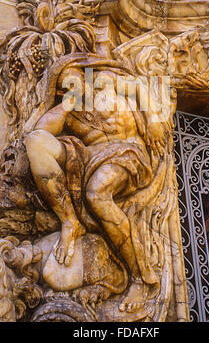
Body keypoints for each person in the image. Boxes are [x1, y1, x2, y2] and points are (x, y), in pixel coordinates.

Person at [25, 53, 169, 312]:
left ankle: (141, 276)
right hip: (87, 158)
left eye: (77, 79)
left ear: (85, 75)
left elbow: (140, 87)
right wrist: (68, 103)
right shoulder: (68, 113)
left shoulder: (104, 82)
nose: (74, 86)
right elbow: (42, 129)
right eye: (66, 85)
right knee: (36, 143)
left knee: (96, 194)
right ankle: (70, 220)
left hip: (127, 153)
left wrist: (153, 119)